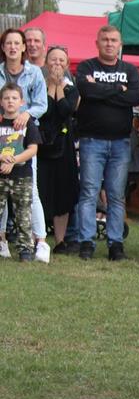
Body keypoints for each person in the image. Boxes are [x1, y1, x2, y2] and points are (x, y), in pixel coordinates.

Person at [74, 25, 139, 262]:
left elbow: (134, 97)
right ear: (97, 43)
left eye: (114, 40)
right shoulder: (86, 67)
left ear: (120, 44)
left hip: (120, 143)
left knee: (116, 195)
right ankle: (86, 242)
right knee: (89, 192)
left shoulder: (130, 70)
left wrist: (101, 89)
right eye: (105, 39)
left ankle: (116, 244)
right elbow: (86, 91)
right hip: (91, 141)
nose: (109, 43)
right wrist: (117, 89)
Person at [0, 28, 49, 262]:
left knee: (32, 192)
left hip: (25, 136)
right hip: (1, 134)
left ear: (23, 48)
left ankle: (40, 241)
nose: (12, 47)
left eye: (16, 43)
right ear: (3, 47)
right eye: (8, 43)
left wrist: (26, 114)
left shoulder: (35, 72)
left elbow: (42, 104)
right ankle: (2, 240)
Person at [38, 46, 80, 251]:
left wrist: (58, 87)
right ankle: (38, 238)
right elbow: (44, 111)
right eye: (53, 60)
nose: (57, 64)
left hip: (64, 146)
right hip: (42, 145)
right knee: (40, 190)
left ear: (67, 65)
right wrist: (51, 86)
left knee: (63, 191)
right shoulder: (38, 85)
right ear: (46, 63)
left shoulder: (72, 89)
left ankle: (60, 241)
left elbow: (65, 110)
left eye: (61, 60)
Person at [0, 82, 42, 261]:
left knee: (23, 213)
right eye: (6, 98)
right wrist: (2, 158)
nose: (10, 101)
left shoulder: (28, 124)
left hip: (22, 176)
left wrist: (13, 160)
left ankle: (25, 248)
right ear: (1, 102)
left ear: (22, 102)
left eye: (14, 98)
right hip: (1, 174)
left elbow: (33, 149)